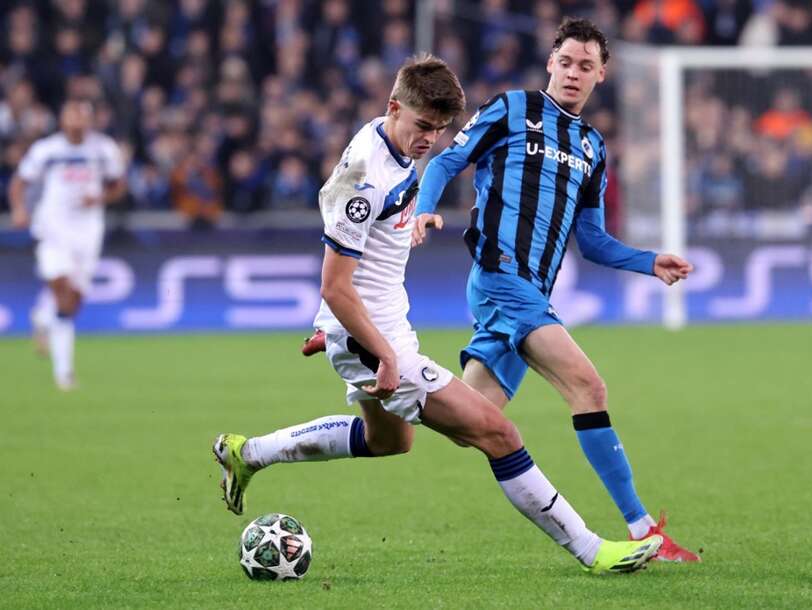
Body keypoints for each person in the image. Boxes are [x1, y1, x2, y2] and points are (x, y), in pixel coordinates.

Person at [213, 55, 662, 575]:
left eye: (440, 129)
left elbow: (358, 272)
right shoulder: (364, 179)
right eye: (423, 125)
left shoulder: (391, 140)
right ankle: (593, 550)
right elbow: (335, 285)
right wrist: (376, 351)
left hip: (368, 329)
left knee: (388, 441)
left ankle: (250, 453)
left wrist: (334, 329)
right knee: (499, 433)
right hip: (376, 340)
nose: (430, 139)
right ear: (394, 107)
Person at [411, 19, 700, 562]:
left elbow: (592, 242)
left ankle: (387, 383)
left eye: (585, 66)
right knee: (589, 388)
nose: (573, 73)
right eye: (565, 62)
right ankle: (643, 530)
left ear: (601, 75)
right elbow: (448, 159)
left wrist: (648, 261)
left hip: (532, 294)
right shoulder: (511, 108)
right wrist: (425, 208)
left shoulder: (592, 146)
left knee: (468, 421)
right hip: (501, 277)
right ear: (550, 63)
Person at [8, 99, 126, 390]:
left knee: (74, 300)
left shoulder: (103, 149)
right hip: (53, 227)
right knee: (61, 289)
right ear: (62, 120)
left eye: (82, 116)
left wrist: (99, 198)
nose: (76, 121)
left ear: (90, 120)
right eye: (71, 115)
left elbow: (118, 185)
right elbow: (19, 182)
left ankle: (43, 317)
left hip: (88, 230)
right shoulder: (47, 150)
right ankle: (64, 373)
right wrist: (19, 209)